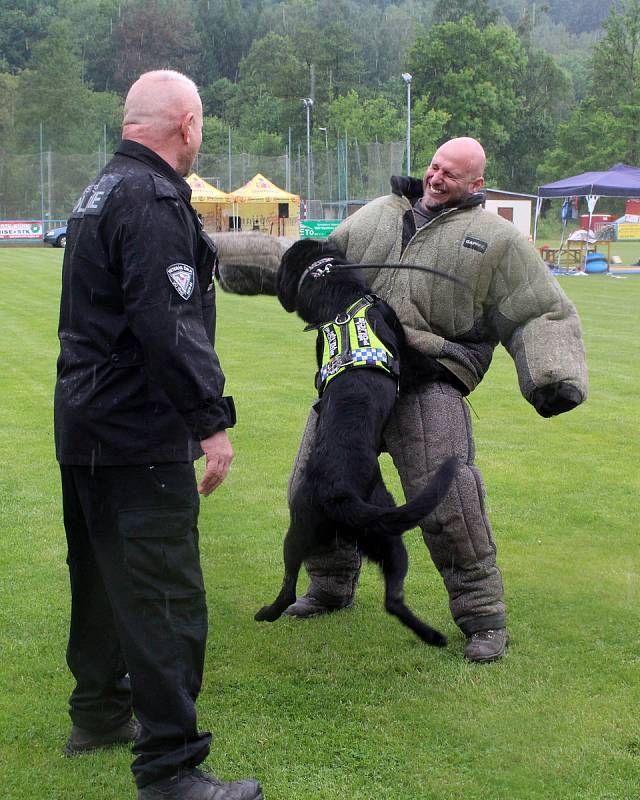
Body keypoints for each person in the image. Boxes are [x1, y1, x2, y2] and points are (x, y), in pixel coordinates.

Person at [283, 137, 588, 663]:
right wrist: (262, 268)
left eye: (452, 173)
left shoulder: (498, 240)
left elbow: (538, 308)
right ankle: (330, 584)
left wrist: (551, 374)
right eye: (434, 166)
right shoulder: (378, 214)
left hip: (430, 377)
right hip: (353, 374)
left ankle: (482, 616)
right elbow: (320, 262)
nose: (437, 177)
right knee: (309, 488)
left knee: (450, 502)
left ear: (477, 185)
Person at [54, 70, 263, 800]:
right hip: (137, 432)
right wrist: (211, 423)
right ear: (189, 123)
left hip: (86, 426)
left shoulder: (100, 191)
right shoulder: (151, 197)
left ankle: (102, 714)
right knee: (166, 594)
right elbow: (165, 326)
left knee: (104, 581)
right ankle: (172, 768)